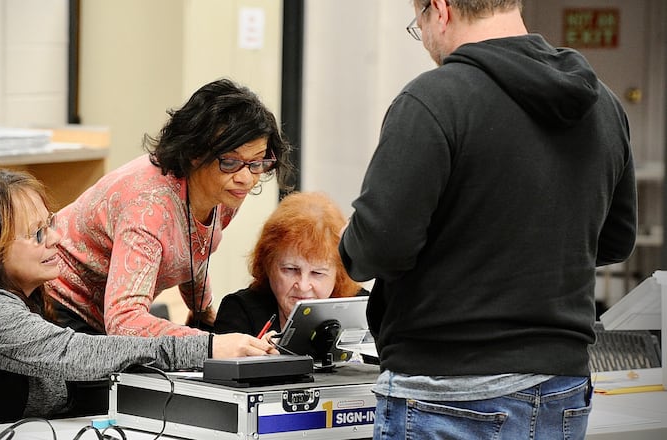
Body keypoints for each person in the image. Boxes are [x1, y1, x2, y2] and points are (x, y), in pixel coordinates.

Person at [338, 1, 637, 439]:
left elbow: (379, 247)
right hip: (563, 390)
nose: (422, 39)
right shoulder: (603, 105)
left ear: (439, 10)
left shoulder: (433, 99)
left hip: (447, 392)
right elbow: (615, 240)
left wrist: (350, 242)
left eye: (416, 23)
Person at [0, 169, 276, 430]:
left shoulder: (27, 302)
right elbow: (74, 355)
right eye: (37, 234)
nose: (55, 239)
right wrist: (207, 348)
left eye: (50, 224)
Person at [47, 78, 294, 338]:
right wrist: (213, 344)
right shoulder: (149, 207)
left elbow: (193, 247)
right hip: (61, 302)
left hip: (106, 314)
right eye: (231, 161)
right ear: (194, 152)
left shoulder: (226, 190)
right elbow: (125, 321)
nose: (247, 178)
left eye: (257, 163)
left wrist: (203, 311)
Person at [214, 191, 366, 337]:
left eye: (317, 273)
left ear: (339, 273)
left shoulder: (364, 309)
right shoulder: (239, 311)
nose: (303, 286)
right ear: (267, 264)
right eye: (291, 269)